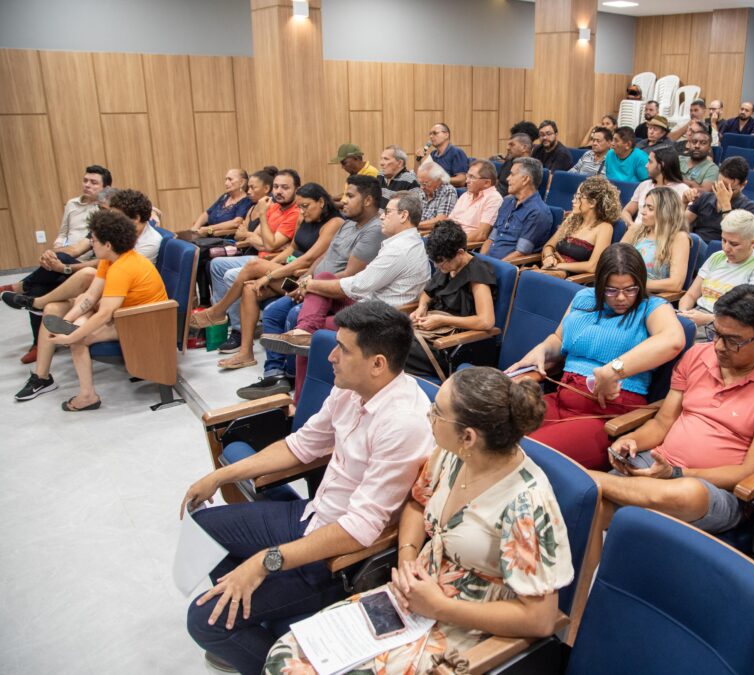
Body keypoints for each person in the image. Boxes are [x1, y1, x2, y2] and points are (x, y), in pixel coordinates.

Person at [262, 366, 571, 675]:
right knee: (286, 656)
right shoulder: (454, 454)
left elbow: (541, 619)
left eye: (437, 412)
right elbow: (416, 502)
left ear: (469, 436)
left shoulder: (527, 504)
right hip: (415, 594)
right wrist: (408, 557)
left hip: (471, 622)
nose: (428, 415)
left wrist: (441, 607)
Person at [182, 301, 434, 674]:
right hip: (312, 514)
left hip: (338, 558)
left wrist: (267, 561)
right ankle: (253, 619)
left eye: (343, 349)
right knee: (203, 529)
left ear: (377, 364)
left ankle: (274, 656)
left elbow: (360, 529)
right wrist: (220, 476)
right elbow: (301, 445)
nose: (331, 356)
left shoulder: (402, 422)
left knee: (203, 620)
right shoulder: (351, 387)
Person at [596, 285, 754, 534]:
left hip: (716, 491)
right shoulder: (698, 355)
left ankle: (594, 479)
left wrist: (677, 474)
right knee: (595, 508)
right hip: (657, 463)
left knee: (689, 493)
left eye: (733, 341)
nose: (718, 346)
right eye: (716, 333)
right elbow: (662, 424)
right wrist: (630, 439)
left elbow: (748, 471)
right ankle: (609, 490)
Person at [508, 243, 685, 469]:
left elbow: (673, 340)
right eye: (611, 290)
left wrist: (615, 369)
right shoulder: (584, 298)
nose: (621, 298)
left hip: (604, 416)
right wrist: (542, 349)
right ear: (600, 284)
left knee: (525, 453)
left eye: (630, 289)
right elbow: (560, 339)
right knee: (496, 433)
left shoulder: (651, 307)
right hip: (562, 398)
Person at [236, 175, 387, 400]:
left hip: (334, 293)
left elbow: (349, 275)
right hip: (314, 285)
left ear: (367, 201)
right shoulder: (347, 224)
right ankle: (275, 374)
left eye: (350, 195)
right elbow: (323, 257)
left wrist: (312, 285)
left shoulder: (373, 230)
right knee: (272, 312)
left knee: (294, 314)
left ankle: (295, 379)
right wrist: (306, 279)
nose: (343, 201)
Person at [14, 209, 167, 408]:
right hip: (125, 316)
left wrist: (70, 337)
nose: (91, 243)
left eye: (93, 240)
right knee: (77, 323)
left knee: (79, 339)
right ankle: (80, 389)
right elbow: (91, 296)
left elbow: (104, 313)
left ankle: (87, 396)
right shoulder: (109, 260)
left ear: (108, 244)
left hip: (142, 321)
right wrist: (67, 321)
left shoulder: (123, 268)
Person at [259, 192, 431, 356]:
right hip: (366, 301)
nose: (382, 216)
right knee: (323, 278)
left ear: (404, 215)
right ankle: (302, 333)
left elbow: (358, 285)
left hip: (378, 315)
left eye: (387, 212)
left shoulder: (398, 249)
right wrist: (311, 283)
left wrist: (308, 285)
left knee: (315, 330)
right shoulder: (401, 241)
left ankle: (303, 339)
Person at [3, 189, 164, 362]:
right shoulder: (113, 248)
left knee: (79, 320)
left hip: (132, 311)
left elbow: (105, 309)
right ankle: (43, 374)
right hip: (115, 296)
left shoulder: (134, 254)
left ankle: (32, 297)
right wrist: (67, 320)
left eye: (115, 215)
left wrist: (73, 335)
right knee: (56, 302)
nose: (111, 218)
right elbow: (91, 290)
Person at [193, 182, 344, 362]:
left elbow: (309, 259)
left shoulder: (334, 223)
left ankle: (218, 312)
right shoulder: (303, 219)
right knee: (249, 288)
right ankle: (246, 353)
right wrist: (271, 264)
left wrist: (268, 274)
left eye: (306, 206)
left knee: (253, 266)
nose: (302, 212)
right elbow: (292, 249)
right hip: (288, 275)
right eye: (300, 207)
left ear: (321, 202)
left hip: (300, 284)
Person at [204, 169, 300, 346]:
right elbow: (247, 235)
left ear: (297, 189)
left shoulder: (294, 213)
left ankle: (238, 330)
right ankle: (224, 321)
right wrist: (261, 239)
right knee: (216, 265)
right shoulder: (274, 207)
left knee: (231, 275)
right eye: (276, 187)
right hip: (261, 255)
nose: (279, 191)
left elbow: (270, 245)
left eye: (285, 187)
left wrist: (260, 233)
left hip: (273, 261)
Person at [406, 221, 497, 378]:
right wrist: (422, 308)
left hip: (452, 344)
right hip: (433, 331)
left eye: (441, 262)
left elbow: (486, 321)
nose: (437, 266)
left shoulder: (478, 272)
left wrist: (443, 321)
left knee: (395, 347)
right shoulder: (448, 265)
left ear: (460, 252)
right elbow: (428, 292)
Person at [679, 210, 754, 340]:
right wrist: (684, 314)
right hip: (696, 317)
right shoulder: (717, 257)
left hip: (726, 328)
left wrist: (708, 319)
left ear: (752, 243)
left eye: (734, 244)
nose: (726, 248)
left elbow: (749, 316)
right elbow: (690, 295)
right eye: (724, 240)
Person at [538, 175, 619, 279]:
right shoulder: (571, 220)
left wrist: (559, 266)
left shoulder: (604, 228)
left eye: (579, 197)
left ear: (592, 203)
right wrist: (549, 256)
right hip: (550, 270)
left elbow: (592, 266)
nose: (573, 201)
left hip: (572, 280)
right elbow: (548, 246)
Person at [482, 157, 553, 261]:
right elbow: (491, 239)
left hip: (504, 268)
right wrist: (480, 261)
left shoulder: (538, 212)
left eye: (512, 174)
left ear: (525, 179)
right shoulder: (506, 202)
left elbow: (520, 253)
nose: (507, 178)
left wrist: (493, 267)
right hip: (487, 263)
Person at [625, 186, 692, 294]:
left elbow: (675, 284)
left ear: (666, 212)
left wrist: (631, 285)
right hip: (620, 290)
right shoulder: (635, 230)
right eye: (644, 206)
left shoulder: (679, 238)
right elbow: (613, 260)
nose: (643, 212)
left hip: (649, 297)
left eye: (650, 208)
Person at [687, 156, 754, 244]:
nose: (722, 192)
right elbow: (679, 225)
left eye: (729, 189)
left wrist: (726, 206)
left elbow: (735, 240)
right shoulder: (705, 197)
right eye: (720, 186)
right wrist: (684, 202)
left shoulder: (748, 207)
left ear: (743, 185)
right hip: (696, 245)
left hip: (723, 249)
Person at [622, 147, 690, 225]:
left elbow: (681, 223)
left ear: (662, 165)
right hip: (636, 232)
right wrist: (631, 225)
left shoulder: (682, 190)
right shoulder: (644, 185)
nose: (646, 166)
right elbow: (626, 211)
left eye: (650, 162)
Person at [53, 164, 111, 250]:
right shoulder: (71, 204)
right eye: (85, 181)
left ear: (106, 188)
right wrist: (57, 247)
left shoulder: (107, 208)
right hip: (67, 253)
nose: (87, 185)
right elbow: (62, 234)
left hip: (92, 259)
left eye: (93, 183)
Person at [446, 159, 503, 244]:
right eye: (467, 176)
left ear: (486, 183)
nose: (466, 181)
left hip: (464, 247)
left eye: (472, 177)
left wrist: (450, 243)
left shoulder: (493, 199)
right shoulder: (466, 195)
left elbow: (481, 234)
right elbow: (448, 222)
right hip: (449, 240)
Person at [189, 169, 253, 237]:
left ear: (242, 182)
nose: (226, 183)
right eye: (226, 179)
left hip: (222, 239)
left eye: (230, 179)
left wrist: (208, 229)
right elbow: (207, 213)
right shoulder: (225, 196)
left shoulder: (246, 201)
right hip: (207, 234)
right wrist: (194, 229)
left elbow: (236, 223)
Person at [415, 123, 468, 187]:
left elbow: (462, 180)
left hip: (452, 192)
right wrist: (417, 160)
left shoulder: (456, 152)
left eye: (435, 133)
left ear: (446, 135)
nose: (431, 136)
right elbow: (419, 175)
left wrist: (440, 180)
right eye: (430, 134)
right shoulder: (433, 154)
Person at [416, 161, 459, 232]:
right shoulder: (422, 190)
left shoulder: (448, 191)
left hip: (431, 234)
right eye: (420, 183)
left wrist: (413, 226)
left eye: (425, 183)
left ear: (438, 179)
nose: (422, 187)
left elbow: (441, 221)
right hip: (416, 231)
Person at [678, 126, 719, 190]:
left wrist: (676, 181)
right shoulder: (679, 159)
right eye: (694, 142)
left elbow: (704, 191)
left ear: (709, 149)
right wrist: (692, 184)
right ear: (689, 145)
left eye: (703, 143)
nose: (697, 146)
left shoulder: (712, 169)